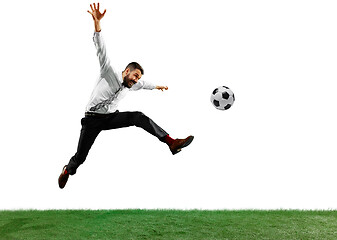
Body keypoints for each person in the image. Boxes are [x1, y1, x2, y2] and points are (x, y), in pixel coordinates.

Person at [58, 3, 194, 189]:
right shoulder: (109, 71)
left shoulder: (132, 85)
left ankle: (171, 142)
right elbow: (101, 47)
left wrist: (157, 87)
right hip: (91, 120)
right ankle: (67, 170)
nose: (137, 80)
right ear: (127, 71)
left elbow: (145, 84)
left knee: (137, 116)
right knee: (80, 157)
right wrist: (97, 24)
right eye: (135, 75)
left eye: (138, 78)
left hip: (110, 118)